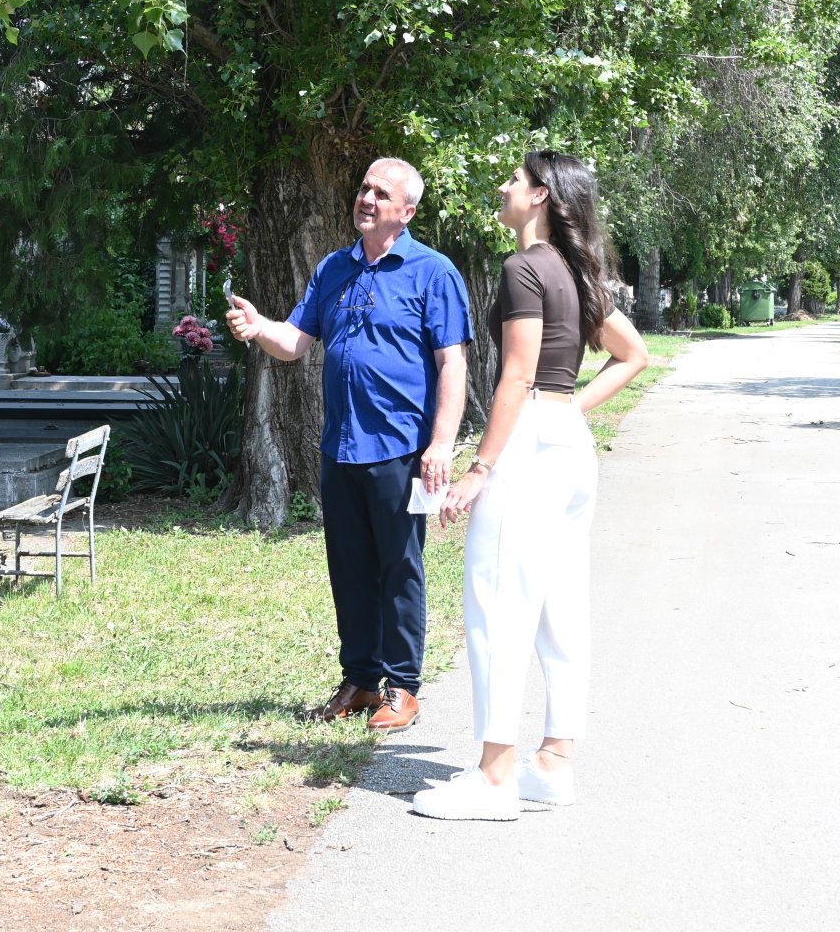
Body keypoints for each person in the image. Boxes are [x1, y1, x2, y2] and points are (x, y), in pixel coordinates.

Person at [411, 150, 649, 821]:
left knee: (496, 604)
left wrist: (480, 468)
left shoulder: (525, 268)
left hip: (530, 445)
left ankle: (493, 779)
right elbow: (633, 355)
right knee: (559, 607)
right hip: (567, 446)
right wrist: (569, 409)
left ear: (540, 194)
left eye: (512, 180)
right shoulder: (574, 274)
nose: (502, 187)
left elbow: (516, 374)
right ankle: (552, 763)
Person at [226, 157, 472, 732]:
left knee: (399, 569)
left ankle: (403, 686)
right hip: (339, 448)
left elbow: (451, 365)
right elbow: (294, 342)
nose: (365, 197)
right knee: (351, 569)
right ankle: (360, 680)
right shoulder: (333, 269)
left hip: (401, 450)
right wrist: (260, 327)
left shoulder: (433, 273)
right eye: (363, 187)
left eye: (380, 193)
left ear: (406, 211)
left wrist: (441, 443)